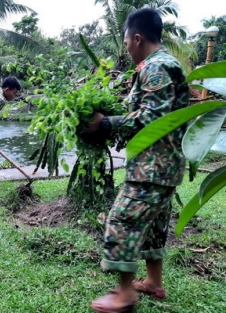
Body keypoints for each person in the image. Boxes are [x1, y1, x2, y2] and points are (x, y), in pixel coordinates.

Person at [86, 8, 189, 313]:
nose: (126, 47)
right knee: (154, 224)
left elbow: (151, 117)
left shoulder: (154, 67)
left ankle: (124, 294)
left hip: (152, 165)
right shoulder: (166, 64)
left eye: (127, 41)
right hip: (166, 164)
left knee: (123, 220)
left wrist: (105, 124)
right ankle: (153, 282)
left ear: (138, 38)